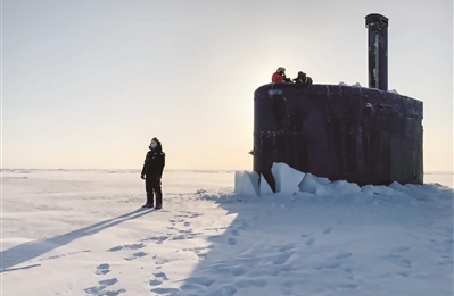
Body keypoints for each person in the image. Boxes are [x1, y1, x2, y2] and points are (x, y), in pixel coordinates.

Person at [140, 137, 165, 209]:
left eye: (154, 143)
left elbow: (162, 165)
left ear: (157, 144)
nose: (152, 144)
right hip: (148, 173)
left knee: (157, 189)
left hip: (155, 174)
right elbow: (145, 164)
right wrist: (143, 172)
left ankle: (159, 204)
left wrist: (159, 174)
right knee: (149, 189)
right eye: (151, 143)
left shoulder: (160, 154)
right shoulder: (149, 154)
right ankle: (150, 203)